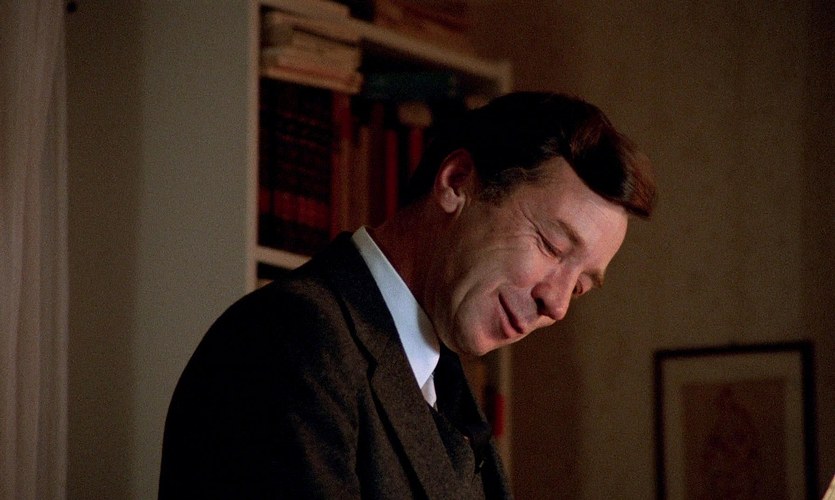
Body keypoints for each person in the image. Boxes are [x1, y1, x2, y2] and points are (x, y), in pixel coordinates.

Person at [158, 91, 656, 498]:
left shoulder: (448, 390)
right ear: (456, 183)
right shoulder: (289, 339)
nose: (558, 303)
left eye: (581, 286)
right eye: (551, 246)